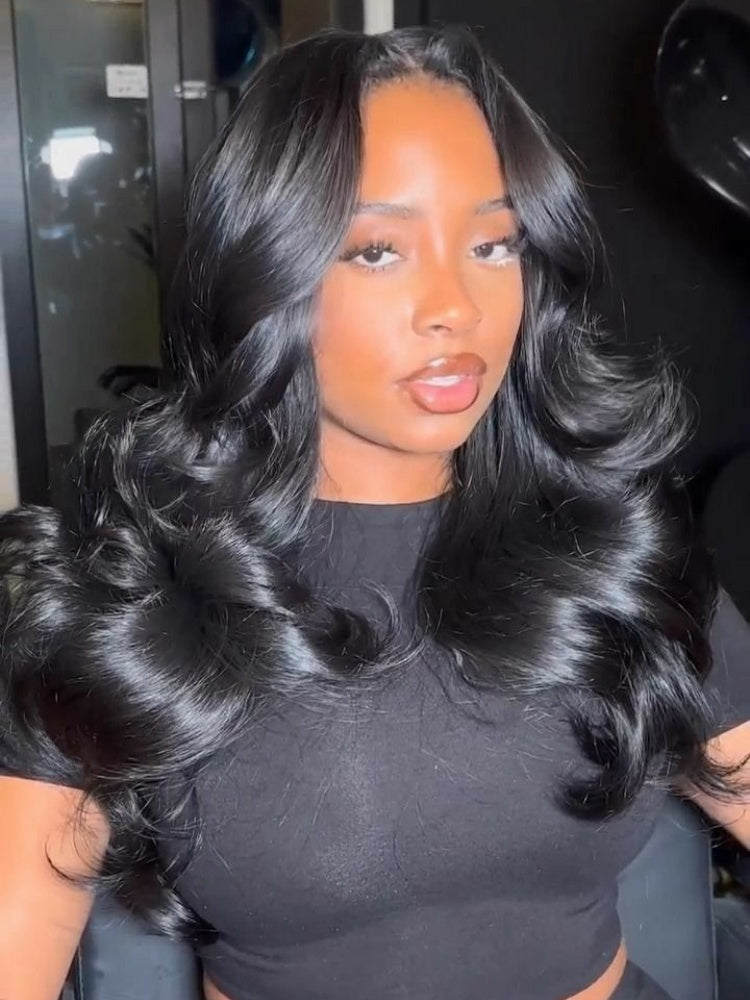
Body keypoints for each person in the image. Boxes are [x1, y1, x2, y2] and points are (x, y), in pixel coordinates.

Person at [1, 24, 749, 1000]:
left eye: (493, 243)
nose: (456, 305)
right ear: (269, 271)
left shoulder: (612, 560)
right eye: (379, 249)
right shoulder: (130, 601)